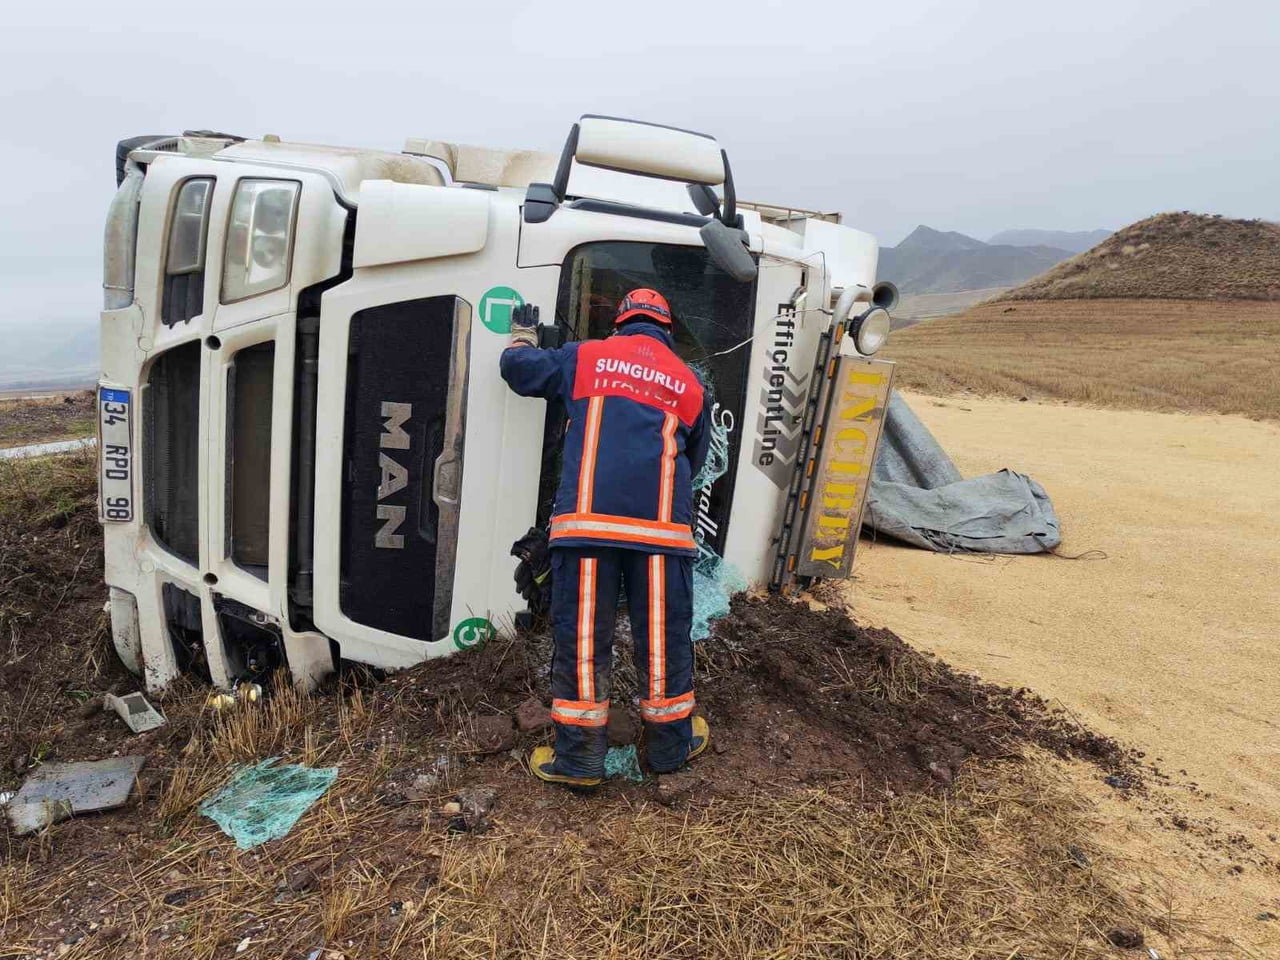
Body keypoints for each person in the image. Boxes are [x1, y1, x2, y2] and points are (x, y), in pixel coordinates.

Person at [500, 288, 712, 788]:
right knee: (663, 642)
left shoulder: (585, 357)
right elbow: (696, 463)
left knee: (583, 643)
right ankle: (668, 749)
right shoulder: (689, 382)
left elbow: (519, 370)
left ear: (619, 324)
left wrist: (521, 336)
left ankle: (579, 761)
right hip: (661, 532)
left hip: (588, 529)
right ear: (667, 330)